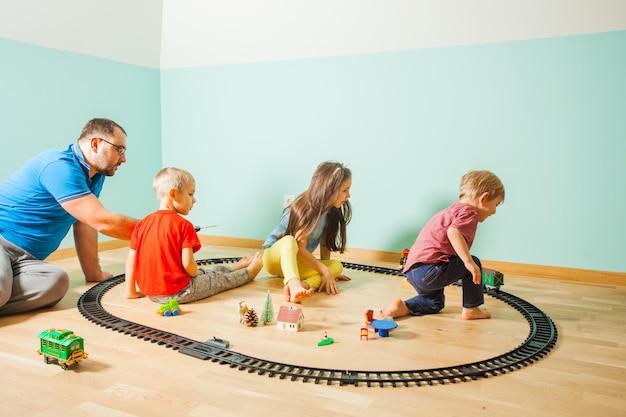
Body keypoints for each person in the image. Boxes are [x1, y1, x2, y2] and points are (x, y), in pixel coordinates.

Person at [0, 118, 138, 316]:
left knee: (56, 282)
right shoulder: (58, 166)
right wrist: (159, 230)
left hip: (25, 262)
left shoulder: (94, 176)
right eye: (119, 149)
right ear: (96, 144)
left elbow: (86, 221)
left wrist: (94, 273)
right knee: (0, 286)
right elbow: (101, 220)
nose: (123, 159)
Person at [125, 167, 263, 304]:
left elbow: (131, 261)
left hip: (152, 294)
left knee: (203, 271)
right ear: (173, 194)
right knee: (216, 278)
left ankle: (234, 268)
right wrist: (197, 276)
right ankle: (249, 273)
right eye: (190, 194)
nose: (194, 200)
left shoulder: (142, 224)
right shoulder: (183, 225)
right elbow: (188, 265)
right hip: (180, 291)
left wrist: (131, 291)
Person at [380, 170, 505, 320]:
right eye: (496, 204)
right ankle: (472, 309)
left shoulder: (451, 210)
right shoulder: (469, 213)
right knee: (474, 263)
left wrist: (449, 273)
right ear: (483, 198)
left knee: (434, 303)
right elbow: (454, 232)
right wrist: (468, 262)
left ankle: (403, 307)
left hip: (414, 271)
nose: (495, 211)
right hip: (430, 271)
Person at [262, 161, 353, 303]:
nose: (349, 195)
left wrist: (328, 270)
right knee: (290, 240)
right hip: (274, 258)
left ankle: (303, 287)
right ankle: (294, 284)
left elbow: (324, 245)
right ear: (330, 189)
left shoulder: (330, 212)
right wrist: (324, 270)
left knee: (337, 266)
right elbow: (301, 250)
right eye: (345, 190)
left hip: (296, 262)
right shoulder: (305, 208)